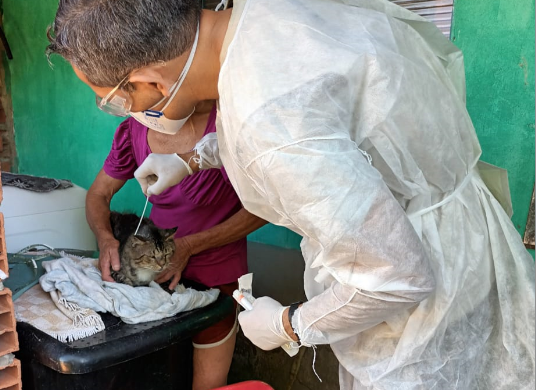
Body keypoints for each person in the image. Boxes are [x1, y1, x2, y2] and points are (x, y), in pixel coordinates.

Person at [47, 0, 535, 388]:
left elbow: (397, 277)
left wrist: (288, 324)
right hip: (457, 231)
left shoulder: (274, 130)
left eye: (117, 100)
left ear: (146, 81)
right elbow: (321, 114)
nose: (124, 111)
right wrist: (195, 157)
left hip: (423, 297)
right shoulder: (261, 15)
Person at [85, 99, 267, 390]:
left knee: (207, 383)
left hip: (216, 280)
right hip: (155, 278)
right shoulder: (134, 128)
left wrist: (190, 246)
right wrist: (105, 238)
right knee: (156, 374)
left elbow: (264, 209)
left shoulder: (226, 125)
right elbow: (98, 194)